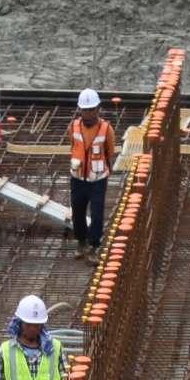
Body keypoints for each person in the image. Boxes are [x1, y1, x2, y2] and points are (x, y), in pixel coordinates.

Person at [67, 88, 116, 259]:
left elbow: (110, 151)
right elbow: (73, 145)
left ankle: (94, 247)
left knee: (96, 214)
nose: (87, 113)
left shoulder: (106, 128)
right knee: (78, 213)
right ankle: (81, 243)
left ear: (98, 109)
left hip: (97, 180)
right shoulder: (74, 126)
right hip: (78, 178)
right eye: (84, 109)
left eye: (91, 109)